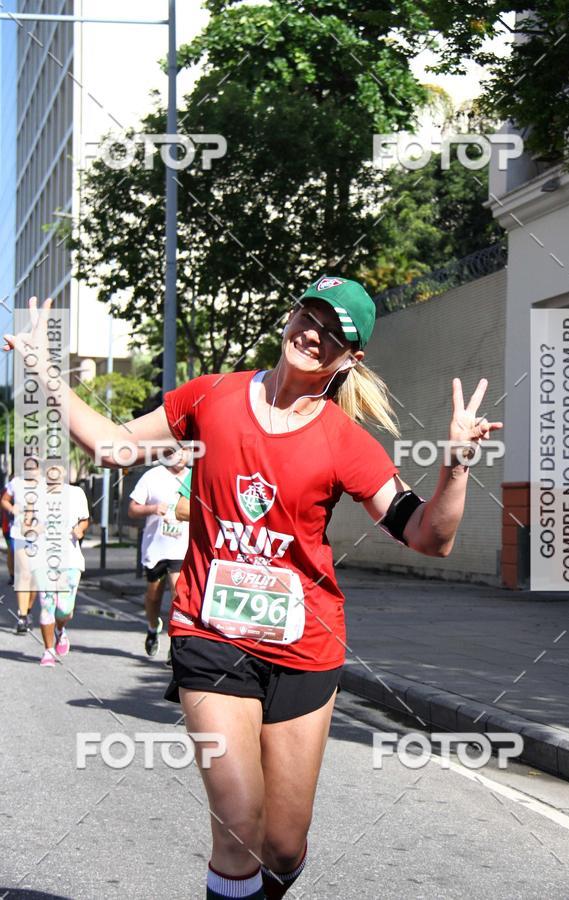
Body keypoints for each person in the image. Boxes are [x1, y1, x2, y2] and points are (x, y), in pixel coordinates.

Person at [4, 283, 502, 899]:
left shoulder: (344, 440)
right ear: (290, 315)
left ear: (350, 359)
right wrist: (42, 372)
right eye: (308, 314)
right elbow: (114, 447)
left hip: (304, 649)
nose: (313, 332)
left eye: (333, 331)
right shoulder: (212, 394)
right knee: (239, 828)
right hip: (210, 635)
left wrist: (455, 467)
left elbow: (428, 537)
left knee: (283, 844)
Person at [128, 449, 191, 656]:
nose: (182, 455)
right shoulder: (152, 476)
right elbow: (132, 509)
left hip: (181, 548)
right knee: (153, 596)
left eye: (187, 450)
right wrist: (152, 509)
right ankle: (153, 627)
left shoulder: (194, 477)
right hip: (156, 547)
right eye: (177, 451)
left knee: (178, 593)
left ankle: (176, 646)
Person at [32, 465, 90, 667]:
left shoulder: (76, 493)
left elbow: (84, 519)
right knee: (47, 604)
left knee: (64, 609)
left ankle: (60, 629)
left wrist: (80, 530)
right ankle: (48, 651)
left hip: (70, 560)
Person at [1, 462, 42, 634]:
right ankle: (22, 616)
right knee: (24, 573)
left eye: (34, 466)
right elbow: (4, 500)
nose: (31, 470)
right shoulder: (16, 483)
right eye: (28, 466)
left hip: (41, 535)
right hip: (20, 532)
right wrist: (12, 509)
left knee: (35, 577)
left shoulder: (47, 485)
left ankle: (28, 609)